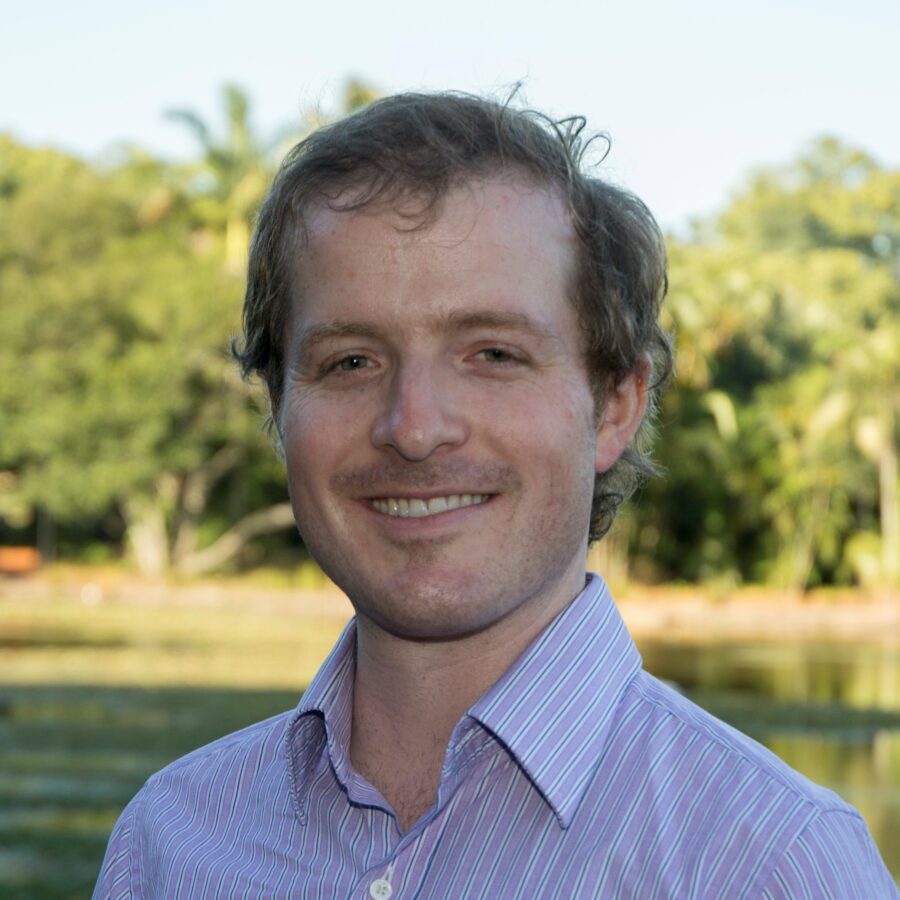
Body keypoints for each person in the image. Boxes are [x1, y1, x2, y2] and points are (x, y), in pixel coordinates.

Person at [94, 92, 897, 899]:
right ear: (279, 407)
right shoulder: (169, 843)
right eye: (350, 362)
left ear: (615, 403)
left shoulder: (771, 867)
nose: (414, 427)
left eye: (493, 354)